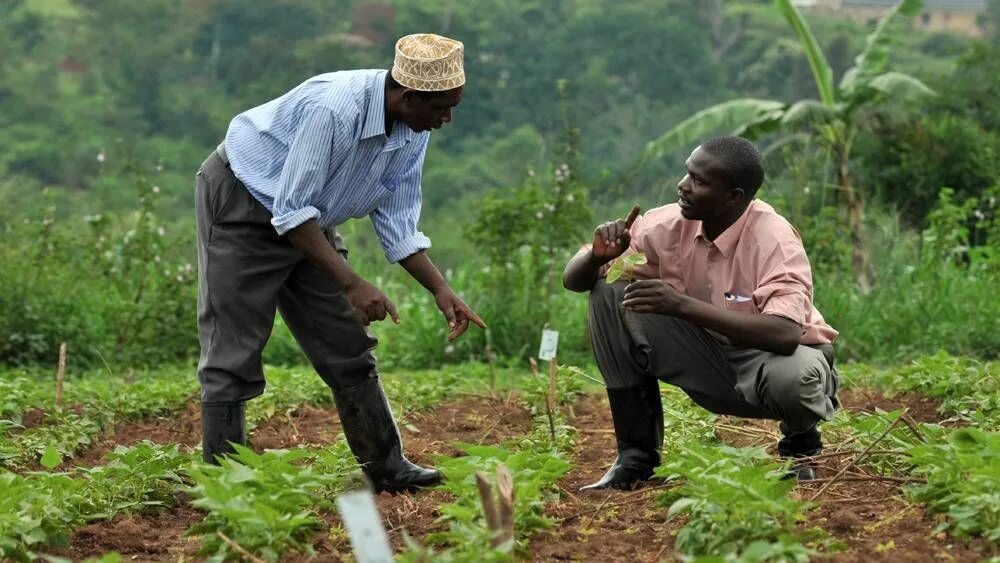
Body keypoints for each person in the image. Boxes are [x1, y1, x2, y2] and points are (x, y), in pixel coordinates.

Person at [195, 33, 485, 493]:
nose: (446, 119)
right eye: (441, 108)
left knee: (347, 342)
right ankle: (222, 484)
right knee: (234, 344)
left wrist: (440, 289)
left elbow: (398, 220)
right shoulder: (335, 109)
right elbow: (290, 211)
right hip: (244, 203)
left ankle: (388, 466)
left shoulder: (412, 130)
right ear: (408, 96)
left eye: (453, 106)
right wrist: (352, 282)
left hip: (309, 219)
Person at [563, 136, 839, 490]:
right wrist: (596, 257)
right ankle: (635, 459)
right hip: (708, 356)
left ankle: (801, 444)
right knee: (608, 292)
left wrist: (681, 305)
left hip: (769, 361)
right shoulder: (668, 224)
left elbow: (784, 334)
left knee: (795, 379)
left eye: (699, 181)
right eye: (687, 173)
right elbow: (574, 280)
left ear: (734, 196)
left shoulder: (773, 238)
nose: (683, 186)